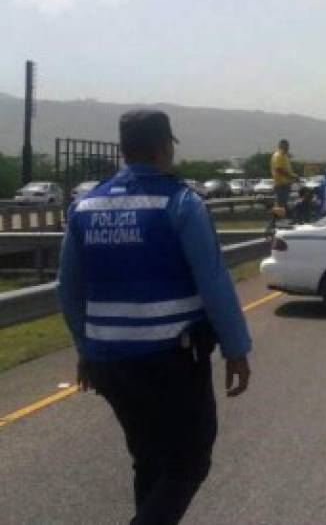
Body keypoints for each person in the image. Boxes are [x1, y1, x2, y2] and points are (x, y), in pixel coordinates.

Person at [57, 110, 252, 525]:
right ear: (165, 147)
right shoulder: (180, 201)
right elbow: (214, 282)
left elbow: (68, 290)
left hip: (110, 363)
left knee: (148, 459)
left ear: (124, 150)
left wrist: (85, 347)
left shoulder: (85, 205)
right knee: (189, 461)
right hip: (170, 361)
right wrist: (237, 350)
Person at [270, 138, 297, 209]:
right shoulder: (278, 155)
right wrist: (291, 176)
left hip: (285, 184)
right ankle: (278, 219)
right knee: (280, 204)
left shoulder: (285, 156)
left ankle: (281, 218)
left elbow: (286, 168)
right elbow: (279, 169)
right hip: (281, 185)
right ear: (282, 146)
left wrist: (293, 176)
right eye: (286, 146)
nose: (288, 147)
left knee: (283, 204)